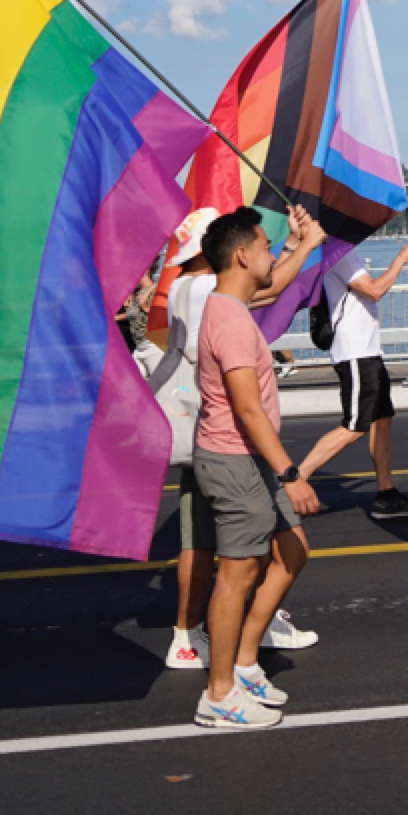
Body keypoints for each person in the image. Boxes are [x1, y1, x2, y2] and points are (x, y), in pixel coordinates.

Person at [147, 206, 316, 673]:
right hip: (227, 442)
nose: (264, 250)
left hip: (208, 434)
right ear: (232, 253)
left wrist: (285, 246)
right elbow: (271, 285)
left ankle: (227, 641)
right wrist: (305, 245)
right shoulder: (211, 295)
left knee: (207, 542)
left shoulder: (187, 287)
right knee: (223, 557)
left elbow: (259, 278)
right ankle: (216, 666)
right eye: (259, 244)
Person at [189, 207, 323, 730]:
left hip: (246, 456)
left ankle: (244, 665)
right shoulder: (232, 322)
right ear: (242, 255)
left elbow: (273, 285)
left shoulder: (228, 303)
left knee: (292, 551)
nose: (272, 252)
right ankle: (218, 696)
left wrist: (303, 245)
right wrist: (292, 474)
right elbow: (246, 408)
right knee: (238, 574)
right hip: (236, 458)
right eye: (267, 245)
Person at [290, 239, 408, 520]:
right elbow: (374, 291)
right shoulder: (340, 253)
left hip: (368, 350)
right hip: (355, 353)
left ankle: (386, 495)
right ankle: (292, 482)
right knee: (354, 426)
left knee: (382, 420)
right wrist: (403, 257)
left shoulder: (340, 251)